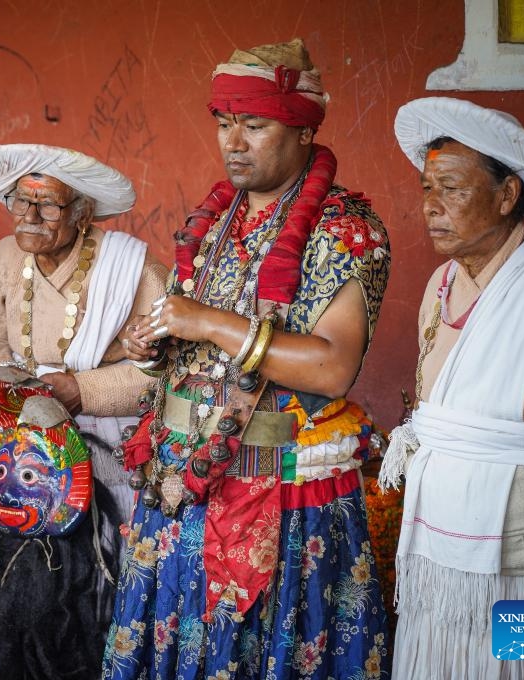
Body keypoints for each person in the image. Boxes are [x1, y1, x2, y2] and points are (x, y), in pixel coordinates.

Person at [104, 38, 391, 678]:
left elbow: (331, 367)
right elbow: (193, 347)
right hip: (181, 484)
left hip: (281, 486)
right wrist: (152, 347)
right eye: (224, 124)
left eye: (254, 125)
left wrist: (208, 320)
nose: (234, 142)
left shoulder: (346, 230)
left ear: (301, 129)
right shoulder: (218, 221)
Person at [381, 97, 524, 679]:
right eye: (426, 189)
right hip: (438, 559)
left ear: (508, 195)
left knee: (519, 668)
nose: (431, 207)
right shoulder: (442, 284)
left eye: (453, 190)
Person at [0, 143, 168, 523]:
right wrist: (11, 392)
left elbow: (168, 370)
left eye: (49, 206)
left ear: (82, 213)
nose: (30, 216)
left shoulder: (132, 268)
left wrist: (82, 391)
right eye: (21, 201)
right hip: (18, 442)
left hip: (113, 447)